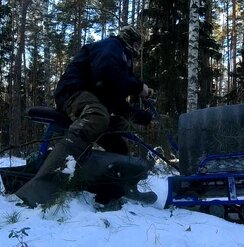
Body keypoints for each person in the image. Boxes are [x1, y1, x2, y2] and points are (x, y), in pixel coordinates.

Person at [15, 25, 153, 208]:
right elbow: (107, 73)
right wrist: (138, 87)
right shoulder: (112, 46)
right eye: (137, 45)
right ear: (131, 42)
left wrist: (143, 117)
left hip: (94, 99)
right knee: (97, 117)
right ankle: (40, 188)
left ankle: (116, 190)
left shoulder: (120, 61)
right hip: (74, 92)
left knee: (115, 139)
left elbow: (115, 99)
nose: (138, 49)